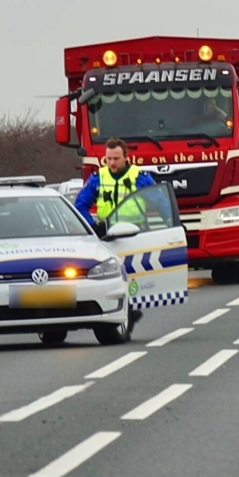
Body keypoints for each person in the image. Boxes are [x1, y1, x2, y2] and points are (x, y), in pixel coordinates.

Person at [74, 137, 156, 332]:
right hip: (108, 235)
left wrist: (169, 223)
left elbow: (158, 200)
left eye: (116, 158)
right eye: (108, 158)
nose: (111, 163)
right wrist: (94, 226)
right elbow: (80, 205)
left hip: (134, 234)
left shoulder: (140, 177)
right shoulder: (99, 177)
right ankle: (120, 311)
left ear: (127, 157)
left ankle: (131, 309)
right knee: (113, 278)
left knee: (136, 279)